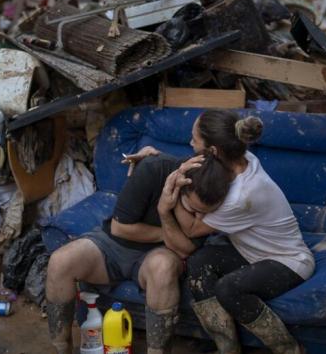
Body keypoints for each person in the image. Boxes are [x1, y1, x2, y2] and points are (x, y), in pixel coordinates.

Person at [126, 110, 315, 354]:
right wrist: (156, 158)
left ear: (213, 151)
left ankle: (290, 349)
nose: (190, 143)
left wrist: (169, 197)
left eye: (195, 139)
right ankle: (228, 349)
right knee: (198, 263)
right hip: (252, 253)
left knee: (229, 288)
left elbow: (192, 229)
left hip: (288, 261)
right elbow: (194, 167)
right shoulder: (237, 157)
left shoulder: (242, 195)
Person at [45, 153, 232, 354]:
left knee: (163, 268)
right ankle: (61, 348)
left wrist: (164, 212)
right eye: (193, 210)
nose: (199, 219)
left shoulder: (218, 194)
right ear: (179, 185)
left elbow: (185, 250)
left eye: (206, 214)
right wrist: (169, 234)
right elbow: (120, 228)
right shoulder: (153, 169)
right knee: (60, 261)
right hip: (113, 243)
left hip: (160, 255)